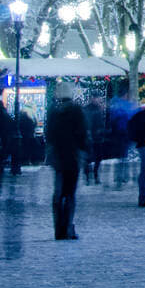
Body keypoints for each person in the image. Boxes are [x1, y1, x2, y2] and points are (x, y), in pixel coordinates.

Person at [45, 82, 87, 240]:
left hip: (58, 158)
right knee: (70, 194)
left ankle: (58, 230)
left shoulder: (53, 112)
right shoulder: (77, 111)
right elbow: (82, 135)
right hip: (73, 158)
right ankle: (68, 228)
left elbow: (49, 135)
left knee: (58, 194)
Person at [83, 94, 107, 185]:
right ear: (92, 98)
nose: (98, 100)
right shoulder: (89, 109)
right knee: (91, 158)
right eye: (97, 98)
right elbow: (88, 123)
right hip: (92, 137)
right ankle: (90, 176)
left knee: (96, 157)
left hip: (96, 137)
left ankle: (92, 176)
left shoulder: (96, 109)